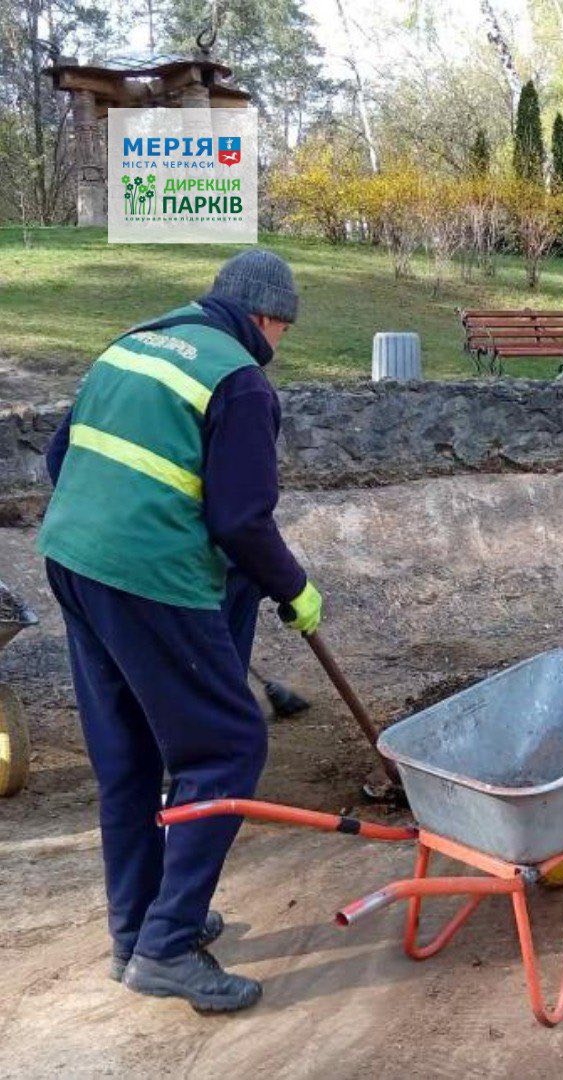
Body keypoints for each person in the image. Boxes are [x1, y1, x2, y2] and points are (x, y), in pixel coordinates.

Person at [38, 248, 322, 1011]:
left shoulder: (136, 340)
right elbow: (240, 520)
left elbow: (60, 457)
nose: (279, 343)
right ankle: (168, 946)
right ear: (267, 317)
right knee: (228, 744)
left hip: (71, 558)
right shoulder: (241, 381)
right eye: (282, 329)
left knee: (127, 751)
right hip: (145, 575)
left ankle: (135, 930)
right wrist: (295, 590)